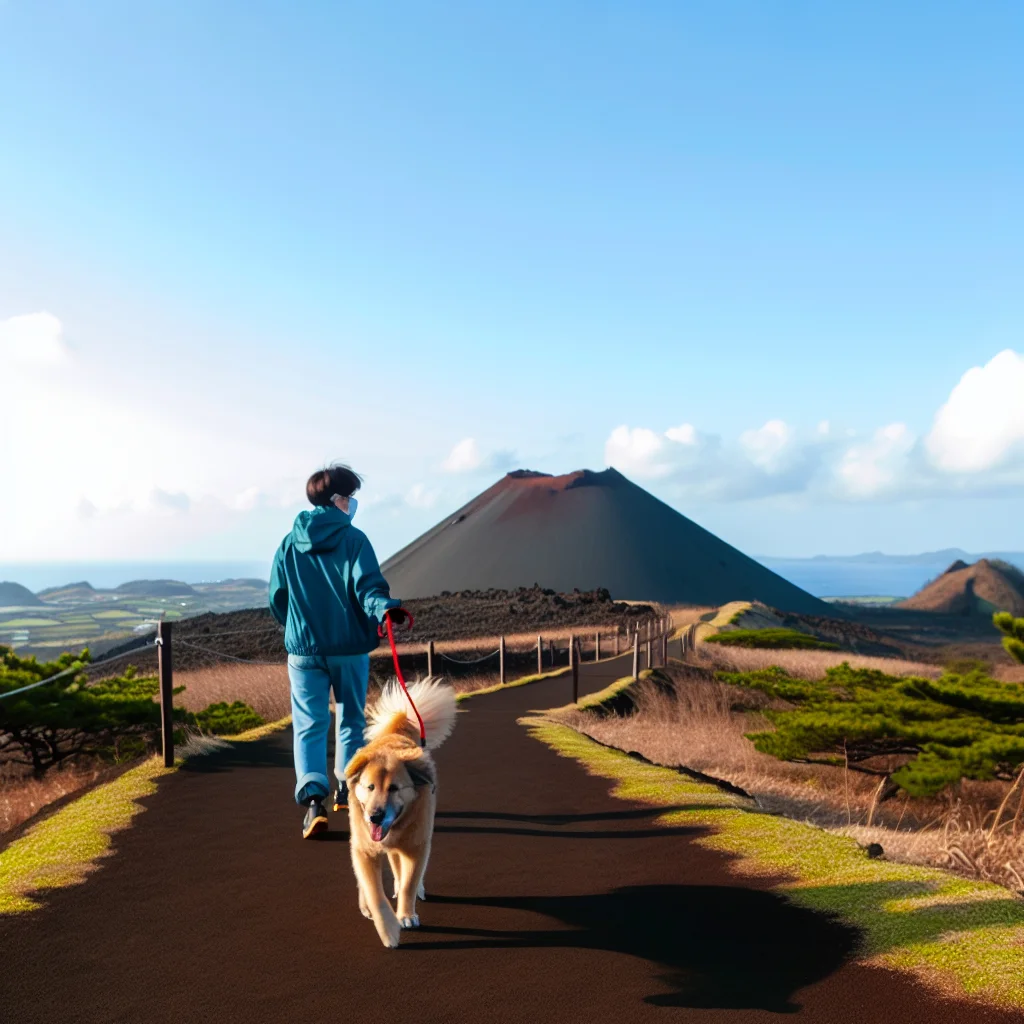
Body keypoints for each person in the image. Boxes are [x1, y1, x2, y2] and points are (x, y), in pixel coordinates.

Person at [269, 464, 407, 839]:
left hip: (303, 652)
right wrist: (386, 609)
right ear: (338, 500)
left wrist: (297, 629)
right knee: (350, 721)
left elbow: (277, 598)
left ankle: (314, 803)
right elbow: (368, 589)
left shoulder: (287, 544)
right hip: (347, 649)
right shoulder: (354, 540)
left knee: (309, 725)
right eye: (350, 497)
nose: (353, 503)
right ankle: (346, 790)